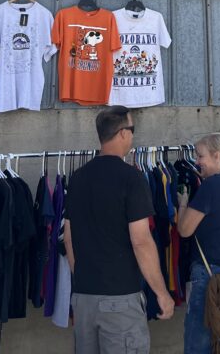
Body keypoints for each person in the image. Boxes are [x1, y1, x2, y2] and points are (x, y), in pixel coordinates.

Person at [65, 106, 174, 353]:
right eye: (132, 130)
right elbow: (141, 241)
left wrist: (82, 278)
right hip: (120, 300)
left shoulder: (78, 178)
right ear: (123, 133)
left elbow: (69, 238)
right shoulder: (131, 178)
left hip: (83, 299)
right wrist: (161, 292)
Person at [177, 133, 220, 354]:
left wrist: (182, 204)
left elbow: (184, 230)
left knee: (199, 345)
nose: (196, 162)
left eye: (200, 156)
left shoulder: (210, 186)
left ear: (217, 156)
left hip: (209, 279)